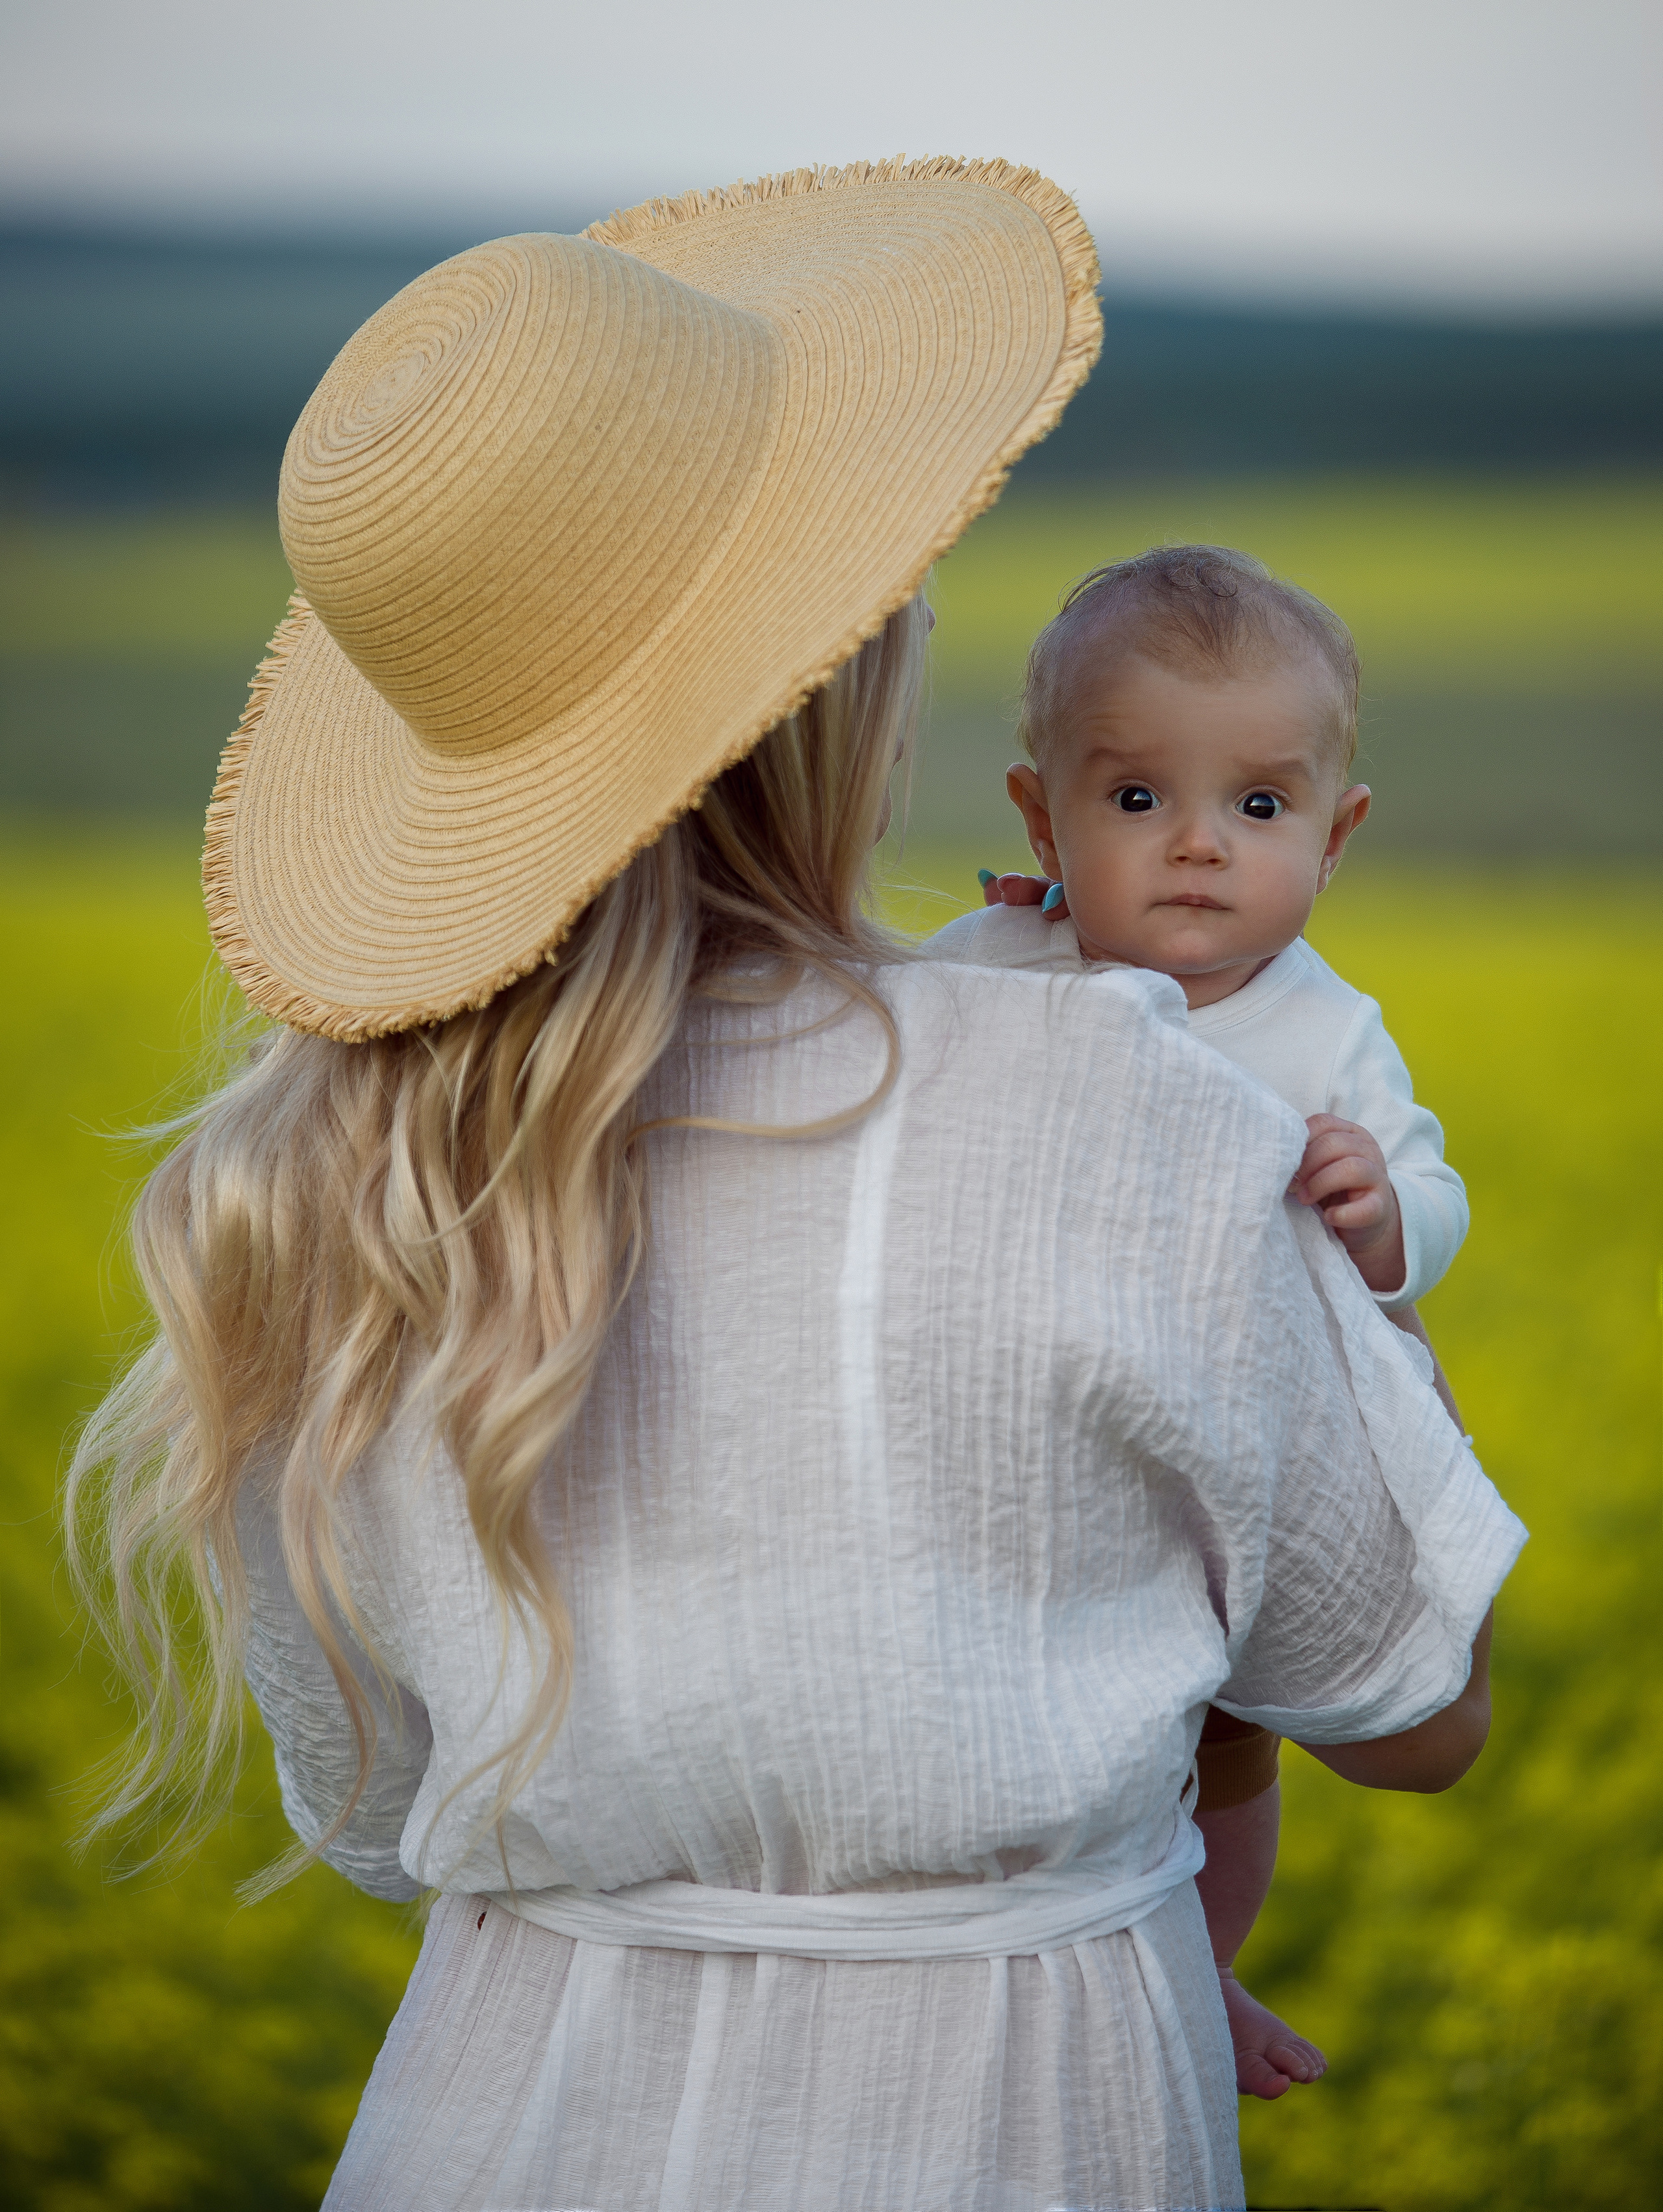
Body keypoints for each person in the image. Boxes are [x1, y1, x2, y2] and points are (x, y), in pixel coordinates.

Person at [67, 164, 1525, 2212]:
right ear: (847, 671)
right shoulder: (1128, 1112)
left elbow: (386, 1812)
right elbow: (1414, 1709)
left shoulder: (330, 1199)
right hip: (1016, 2123)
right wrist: (1374, 1331)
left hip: (500, 2108)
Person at [920, 544, 1472, 2097]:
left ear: (1333, 833)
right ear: (1039, 818)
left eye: (1257, 806)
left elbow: (1429, 1208)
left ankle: (1201, 1966)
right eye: (1135, 800)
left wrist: (1380, 1216)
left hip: (1227, 1464)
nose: (1196, 849)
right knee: (1039, 1730)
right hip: (1033, 1450)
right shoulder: (983, 965)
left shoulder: (1323, 1028)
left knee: (1228, 1747)